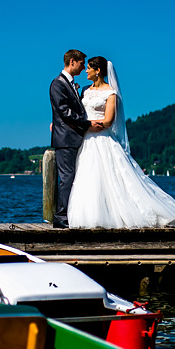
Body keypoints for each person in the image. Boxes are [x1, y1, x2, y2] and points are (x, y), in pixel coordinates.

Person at [67, 57, 175, 229]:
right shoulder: (85, 91)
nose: (86, 71)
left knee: (110, 176)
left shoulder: (110, 93)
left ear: (98, 71)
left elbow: (109, 120)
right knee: (88, 176)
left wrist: (95, 124)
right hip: (87, 139)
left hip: (102, 137)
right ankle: (90, 215)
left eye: (89, 68)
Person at [49, 50, 103, 228]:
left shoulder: (71, 84)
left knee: (74, 176)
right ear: (72, 62)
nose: (83, 68)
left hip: (73, 136)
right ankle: (61, 217)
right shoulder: (58, 84)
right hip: (65, 139)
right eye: (81, 64)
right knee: (67, 177)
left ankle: (70, 214)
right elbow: (64, 111)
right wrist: (87, 123)